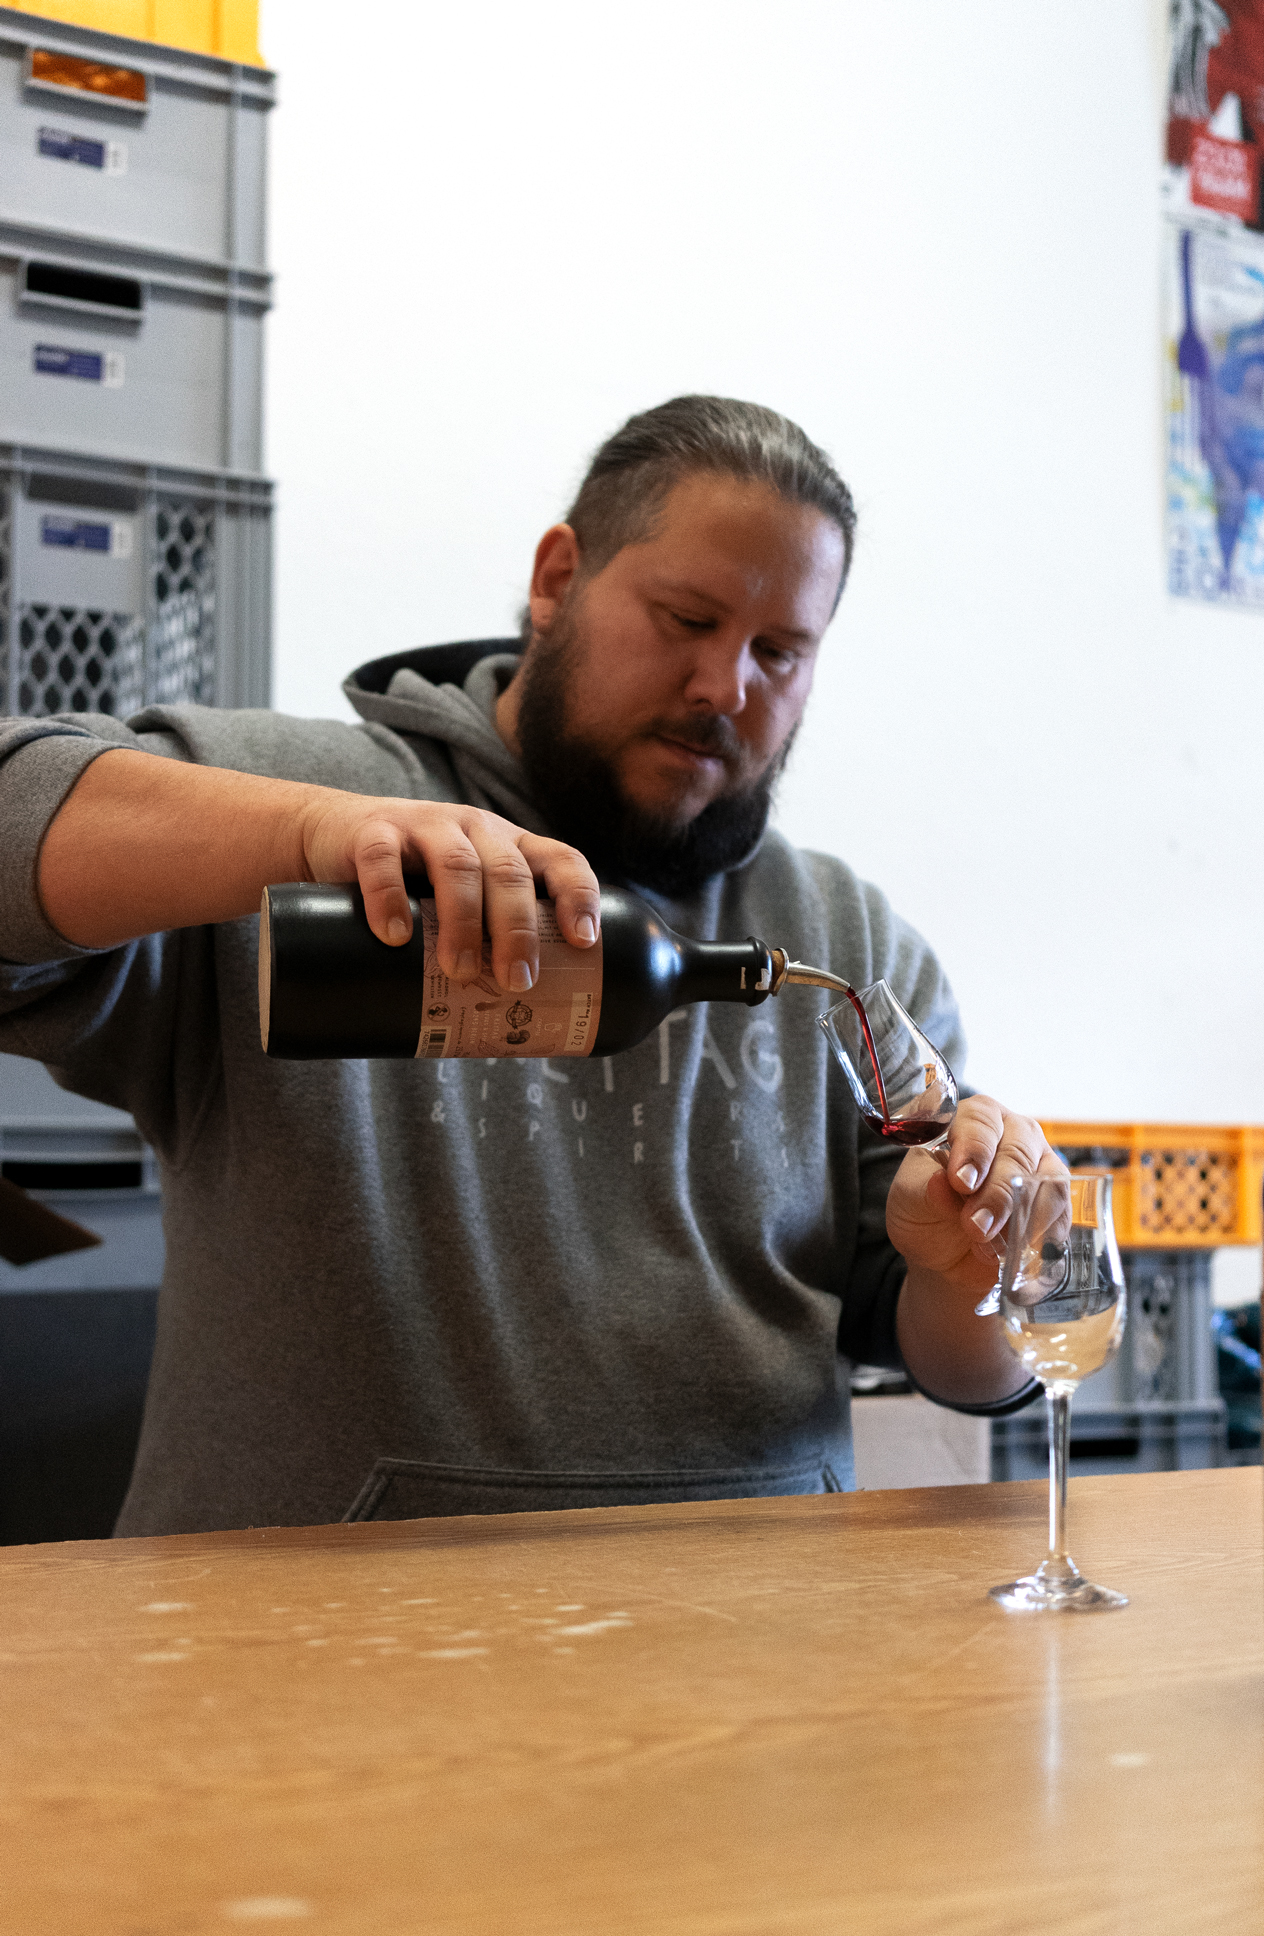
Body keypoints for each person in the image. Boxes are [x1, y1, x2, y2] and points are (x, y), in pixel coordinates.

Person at [0, 396, 1050, 1535]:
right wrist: (306, 833)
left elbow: (955, 1353)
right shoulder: (293, 811)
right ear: (558, 579)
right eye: (687, 618)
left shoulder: (850, 942)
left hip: (746, 1625)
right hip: (312, 1633)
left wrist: (970, 1266)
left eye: (779, 652)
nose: (724, 686)